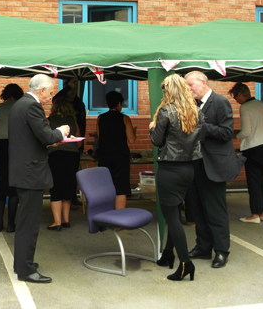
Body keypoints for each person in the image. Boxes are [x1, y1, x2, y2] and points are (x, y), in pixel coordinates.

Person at [8, 74, 70, 284]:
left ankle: (23, 264)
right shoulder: (32, 107)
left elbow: (30, 139)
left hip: (23, 170)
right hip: (30, 173)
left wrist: (51, 140)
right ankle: (25, 270)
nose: (51, 98)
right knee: (29, 224)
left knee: (26, 221)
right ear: (41, 90)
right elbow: (46, 135)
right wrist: (61, 132)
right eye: (50, 93)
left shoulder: (19, 105)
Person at [184, 71, 245, 269]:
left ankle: (221, 251)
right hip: (196, 164)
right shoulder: (192, 105)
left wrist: (202, 127)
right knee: (198, 210)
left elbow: (227, 132)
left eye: (191, 84)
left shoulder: (220, 102)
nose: (188, 88)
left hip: (215, 166)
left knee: (215, 211)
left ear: (203, 83)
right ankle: (203, 247)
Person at [149, 74, 205, 281]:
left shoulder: (166, 112)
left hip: (170, 170)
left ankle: (185, 264)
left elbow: (156, 141)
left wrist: (152, 127)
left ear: (169, 91)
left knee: (172, 218)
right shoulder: (196, 112)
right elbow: (201, 138)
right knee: (175, 212)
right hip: (188, 169)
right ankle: (167, 255)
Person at [229, 83, 263, 224]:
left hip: (254, 149)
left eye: (235, 96)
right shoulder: (261, 104)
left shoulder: (245, 107)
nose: (235, 100)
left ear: (240, 94)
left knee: (254, 183)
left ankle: (255, 215)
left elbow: (246, 132)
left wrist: (233, 136)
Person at [46, 97, 82, 231]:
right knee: (68, 186)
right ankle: (66, 220)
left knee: (56, 187)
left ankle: (57, 222)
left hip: (56, 155)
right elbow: (79, 142)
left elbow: (45, 138)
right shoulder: (73, 121)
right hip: (72, 156)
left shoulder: (49, 120)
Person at [96, 91, 136, 209]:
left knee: (105, 186)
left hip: (104, 155)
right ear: (119, 103)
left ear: (108, 104)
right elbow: (132, 139)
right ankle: (119, 219)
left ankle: (105, 215)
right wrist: (134, 132)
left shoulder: (100, 118)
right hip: (120, 156)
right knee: (121, 188)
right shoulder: (124, 118)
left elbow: (99, 136)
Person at [0, 83, 24, 233]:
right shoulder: (21, 107)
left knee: (0, 182)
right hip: (16, 145)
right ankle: (11, 224)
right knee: (13, 186)